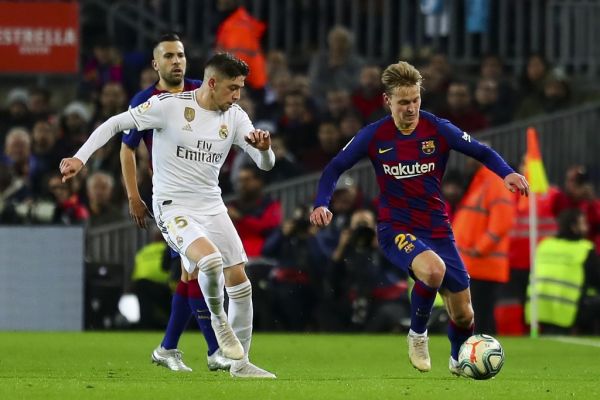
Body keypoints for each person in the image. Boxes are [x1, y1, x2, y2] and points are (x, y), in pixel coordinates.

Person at [60, 52, 277, 379]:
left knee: (240, 282)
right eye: (233, 88)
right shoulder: (170, 107)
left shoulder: (234, 115)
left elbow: (266, 166)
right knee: (210, 262)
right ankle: (220, 325)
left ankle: (241, 366)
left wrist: (264, 149)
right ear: (212, 82)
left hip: (212, 205)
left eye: (241, 88)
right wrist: (80, 158)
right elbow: (115, 124)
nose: (238, 95)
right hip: (172, 206)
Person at [309, 61, 529, 375]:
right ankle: (417, 334)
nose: (411, 108)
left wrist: (506, 173)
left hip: (437, 228)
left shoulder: (437, 128)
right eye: (403, 102)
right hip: (394, 227)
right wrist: (322, 203)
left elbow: (481, 151)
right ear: (387, 101)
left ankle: (457, 360)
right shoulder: (374, 135)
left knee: (464, 314)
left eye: (415, 100)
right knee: (433, 270)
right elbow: (334, 168)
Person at [119, 33, 228, 372]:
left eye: (180, 54)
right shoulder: (145, 99)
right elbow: (127, 148)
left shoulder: (199, 90)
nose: (176, 61)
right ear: (156, 64)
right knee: (196, 270)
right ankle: (215, 350)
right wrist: (134, 196)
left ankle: (168, 348)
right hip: (173, 200)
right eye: (168, 56)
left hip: (204, 196)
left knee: (189, 273)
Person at [452, 157, 516, 334]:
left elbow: (502, 222)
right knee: (478, 318)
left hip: (483, 265)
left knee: (480, 319)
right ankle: (481, 356)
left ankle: (482, 356)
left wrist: (478, 250)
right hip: (474, 264)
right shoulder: (480, 183)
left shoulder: (493, 183)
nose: (467, 162)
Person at [525, 209, 600, 334]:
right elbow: (596, 279)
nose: (587, 227)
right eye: (583, 224)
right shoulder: (584, 249)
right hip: (567, 310)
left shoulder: (545, 245)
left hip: (538, 309)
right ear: (574, 227)